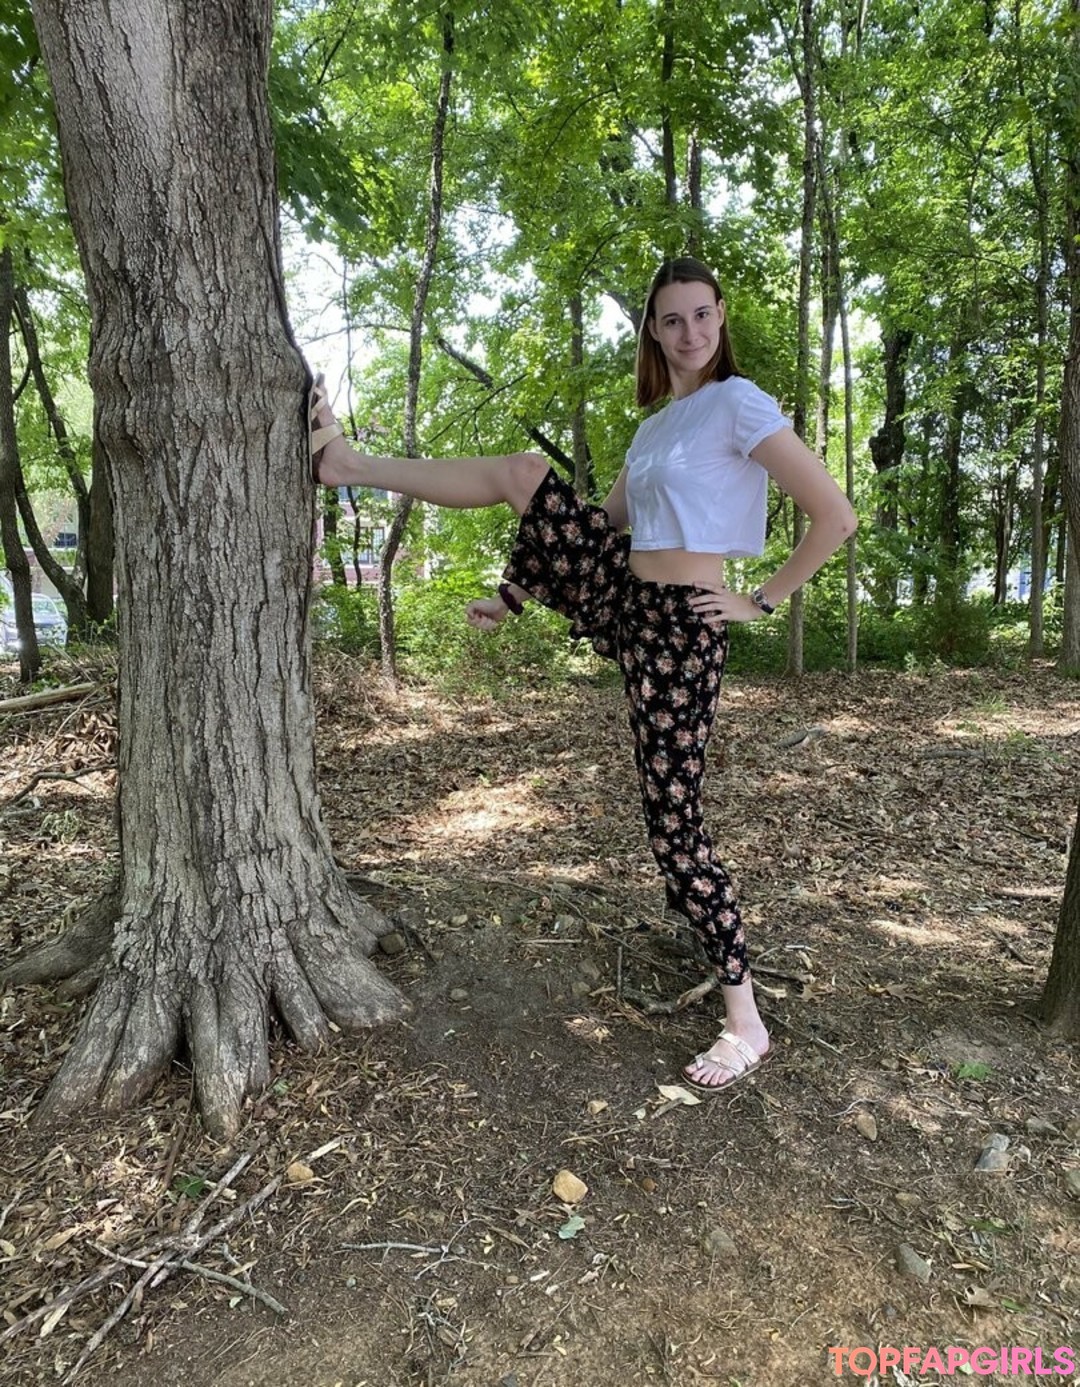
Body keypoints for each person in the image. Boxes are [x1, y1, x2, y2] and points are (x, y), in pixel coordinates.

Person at [308, 256, 857, 1093]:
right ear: (653, 333)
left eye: (701, 314)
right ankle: (350, 465)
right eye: (671, 320)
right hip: (628, 599)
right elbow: (597, 526)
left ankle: (746, 1021)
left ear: (720, 316)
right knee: (524, 474)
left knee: (673, 820)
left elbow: (835, 515)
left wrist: (761, 600)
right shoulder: (655, 428)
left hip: (683, 628)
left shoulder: (740, 403)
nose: (690, 332)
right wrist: (515, 592)